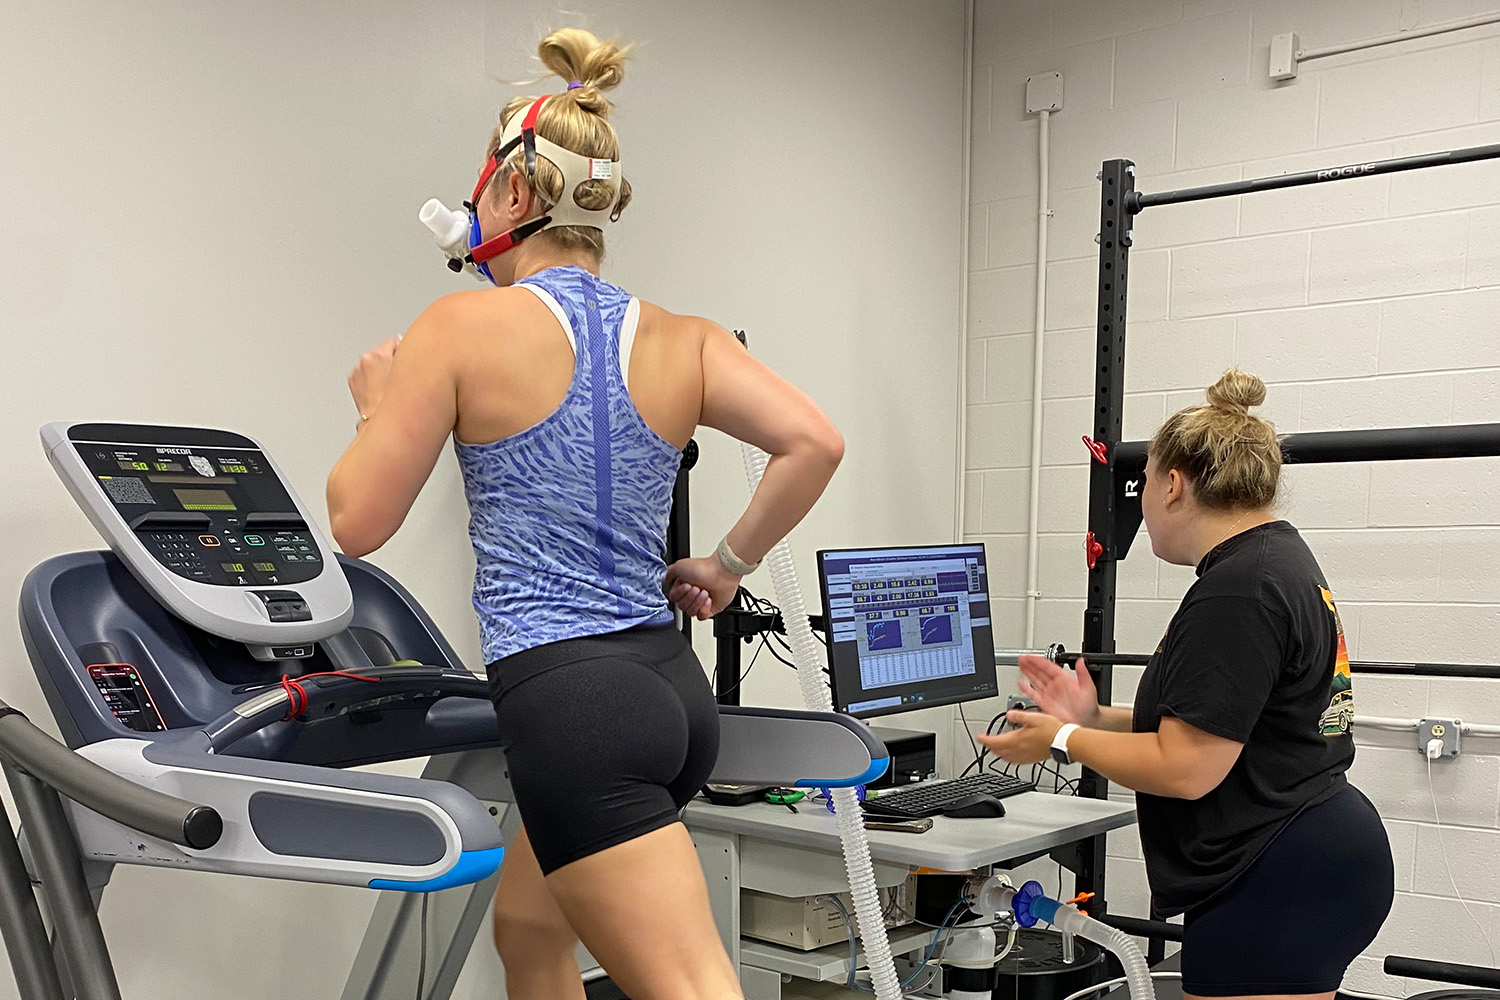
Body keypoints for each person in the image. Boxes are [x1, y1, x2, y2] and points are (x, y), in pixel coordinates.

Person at [326, 27, 844, 1000]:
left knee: (691, 986)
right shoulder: (685, 339)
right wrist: (726, 565)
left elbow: (356, 521)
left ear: (514, 195)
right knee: (528, 932)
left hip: (574, 708)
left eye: (483, 188)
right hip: (667, 692)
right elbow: (815, 442)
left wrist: (373, 408)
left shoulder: (457, 327)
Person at [978, 369, 1393, 1000]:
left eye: (1144, 482)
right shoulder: (1271, 559)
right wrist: (1093, 718)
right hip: (1305, 855)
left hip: (1276, 873)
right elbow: (1214, 727)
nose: (1141, 503)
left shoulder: (1239, 590)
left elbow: (1186, 768)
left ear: (1173, 485)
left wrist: (1060, 740)